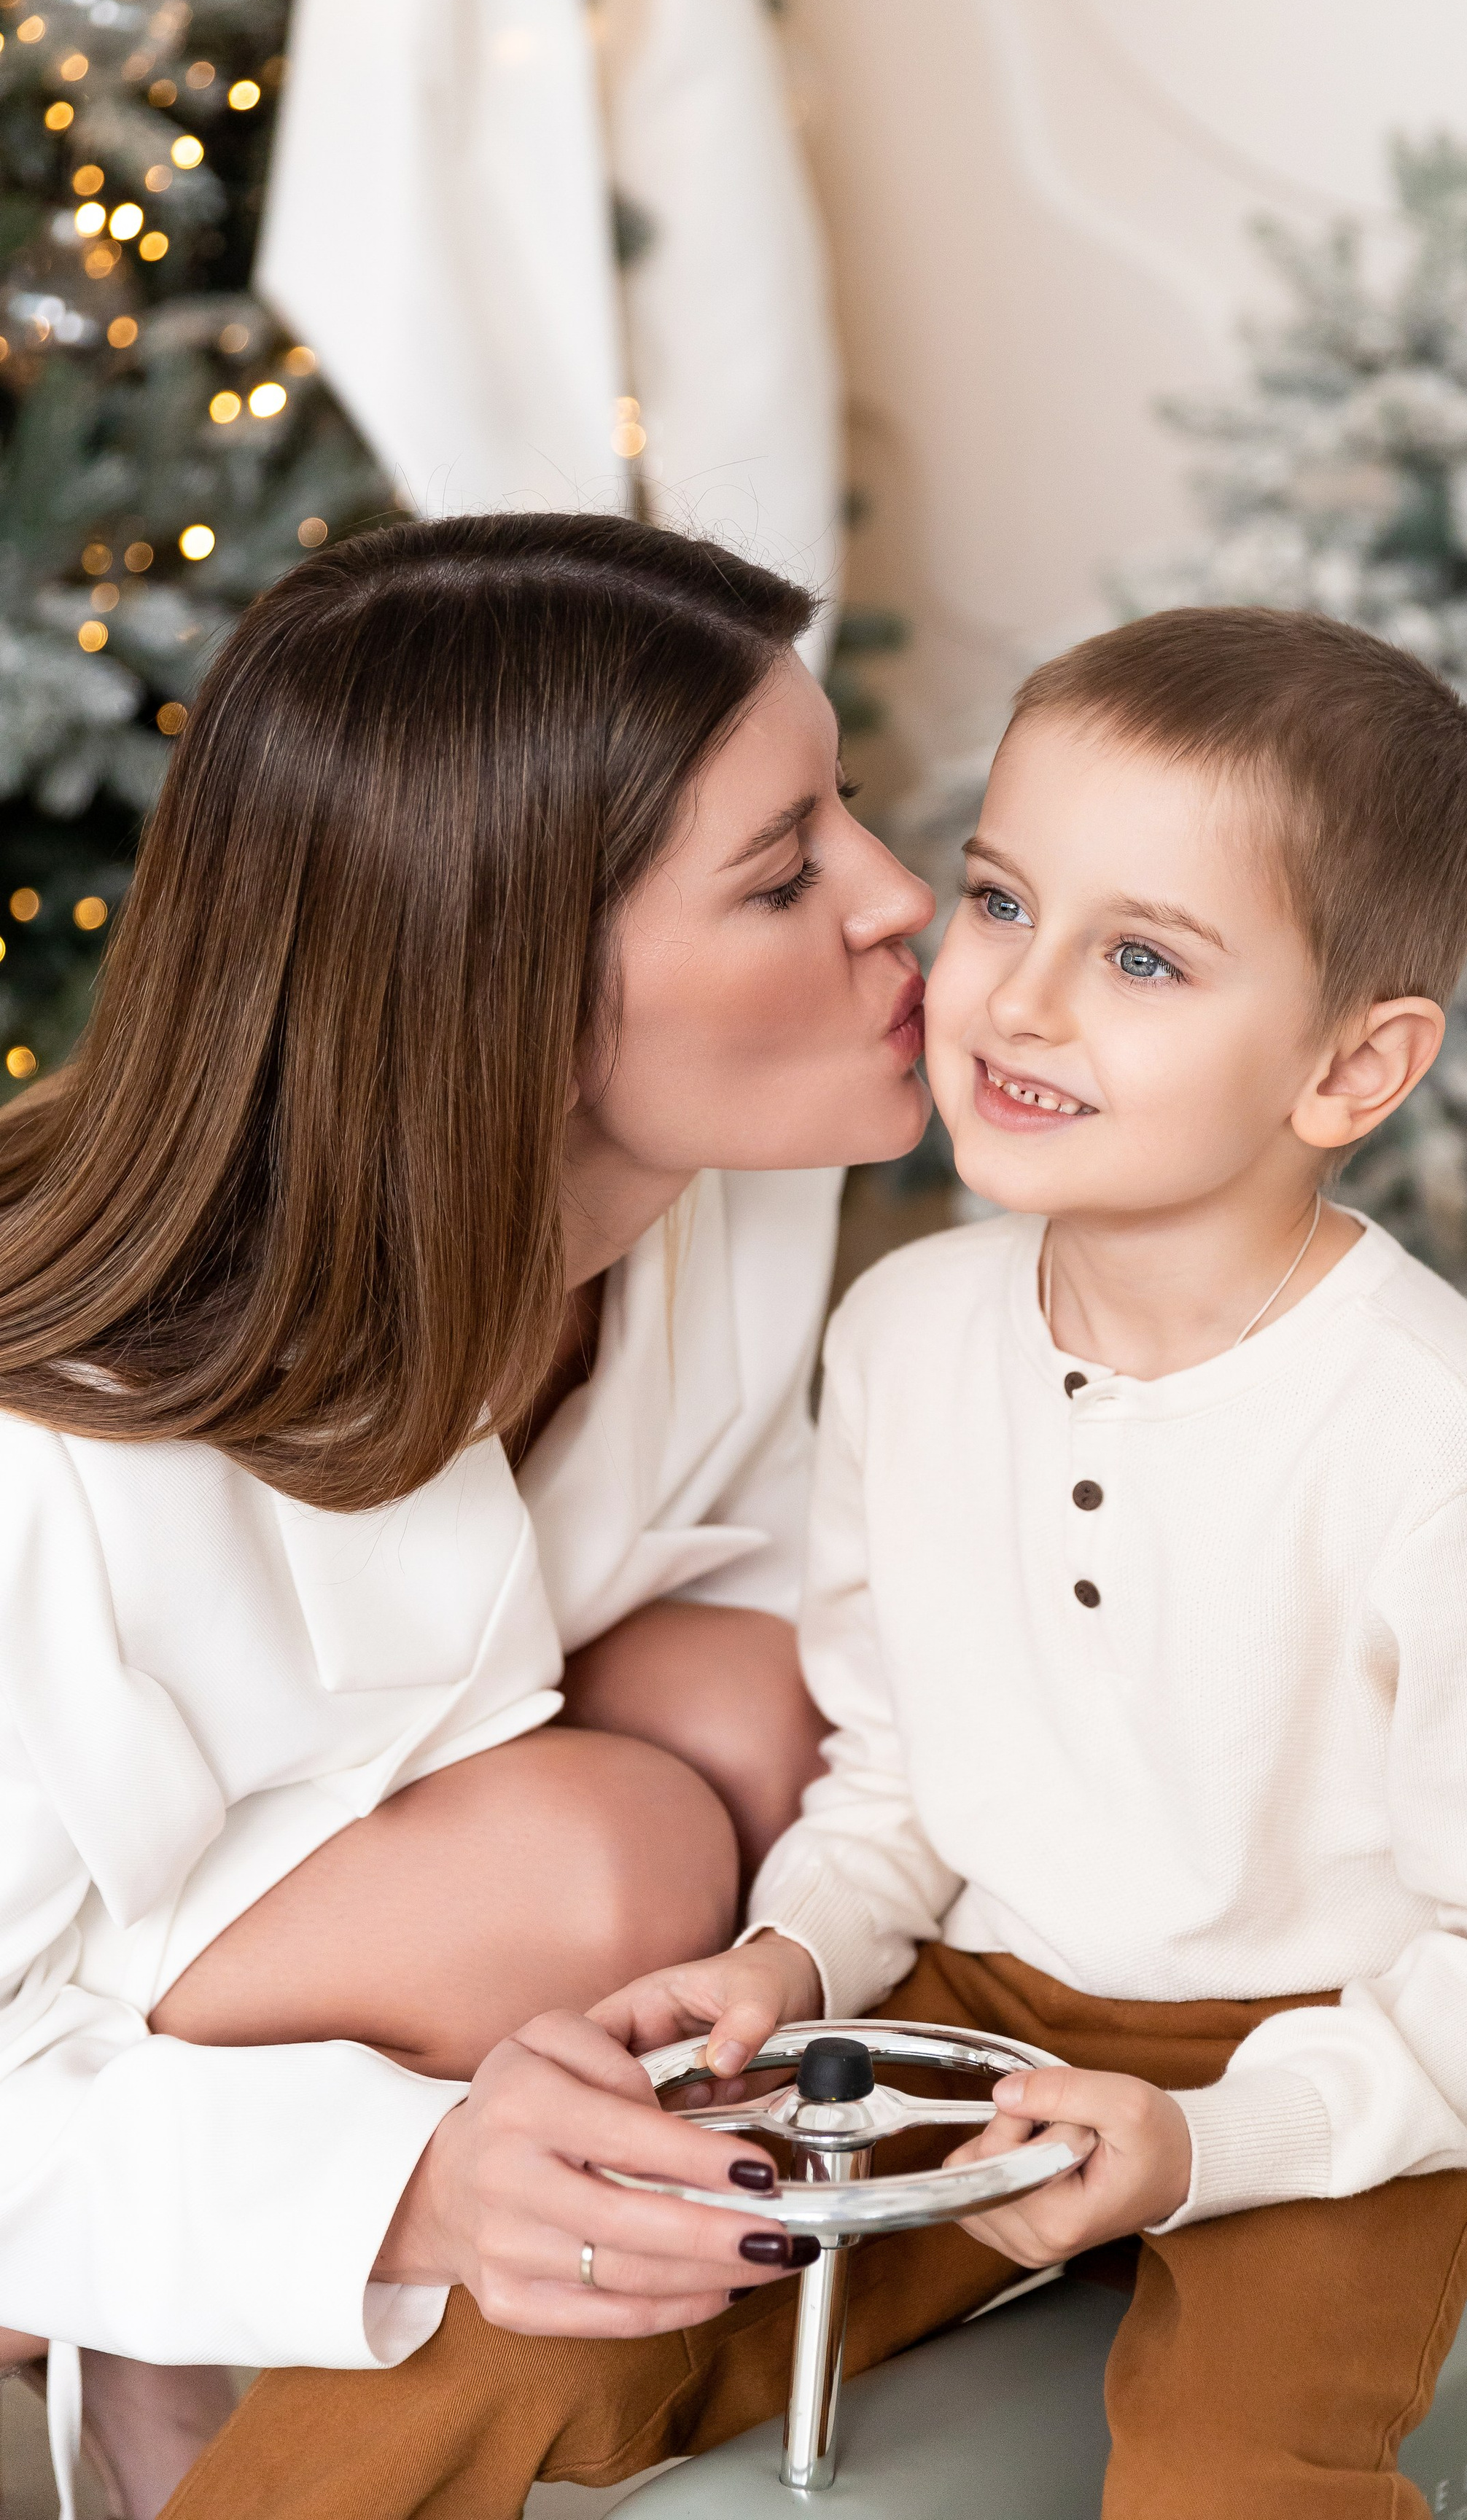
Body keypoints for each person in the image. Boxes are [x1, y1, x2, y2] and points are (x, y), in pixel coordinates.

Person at [157, 604, 1467, 2520]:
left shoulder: (1465, 1460)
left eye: (1140, 955)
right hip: (976, 2012)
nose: (1017, 998)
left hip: (1336, 2067)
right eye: (996, 899)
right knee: (521, 2326)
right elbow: (900, 1773)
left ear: (1351, 1071)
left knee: (1234, 2470)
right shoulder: (908, 1327)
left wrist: (1216, 2142)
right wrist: (783, 1956)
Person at [0, 512, 938, 2520]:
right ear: (502, 985)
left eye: (843, 816)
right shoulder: (44, 1460)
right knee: (590, 1865)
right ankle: (190, 2385)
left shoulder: (722, 1204)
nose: (904, 903)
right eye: (784, 876)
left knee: (766, 1710)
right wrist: (394, 2185)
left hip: (283, 1919)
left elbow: (754, 1614)